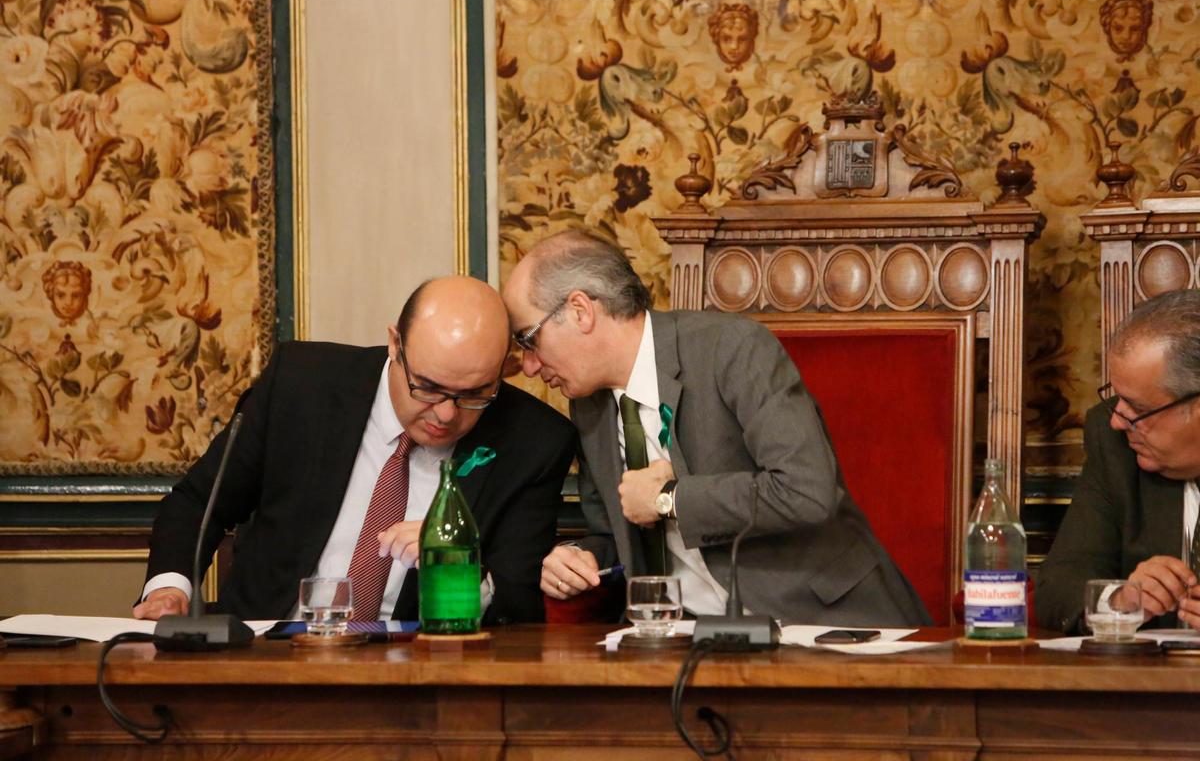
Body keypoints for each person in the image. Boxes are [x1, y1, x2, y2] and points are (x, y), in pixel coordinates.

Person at [502, 231, 928, 626]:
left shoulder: (733, 349)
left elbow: (807, 491)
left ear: (580, 311)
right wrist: (579, 556)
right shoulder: (589, 405)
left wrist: (671, 499)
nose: (529, 366)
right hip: (687, 638)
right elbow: (617, 527)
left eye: (529, 339)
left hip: (825, 620)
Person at [134, 276, 576, 625]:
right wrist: (169, 588)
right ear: (394, 345)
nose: (445, 414)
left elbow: (519, 604)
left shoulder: (532, 440)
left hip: (418, 679)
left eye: (474, 394)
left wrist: (453, 561)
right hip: (267, 655)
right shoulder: (302, 385)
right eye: (428, 388)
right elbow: (198, 503)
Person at [1036, 290, 1200, 634]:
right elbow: (1057, 588)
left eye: (1138, 409)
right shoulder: (1115, 444)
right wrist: (1120, 602)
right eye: (1118, 398)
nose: (1117, 420)